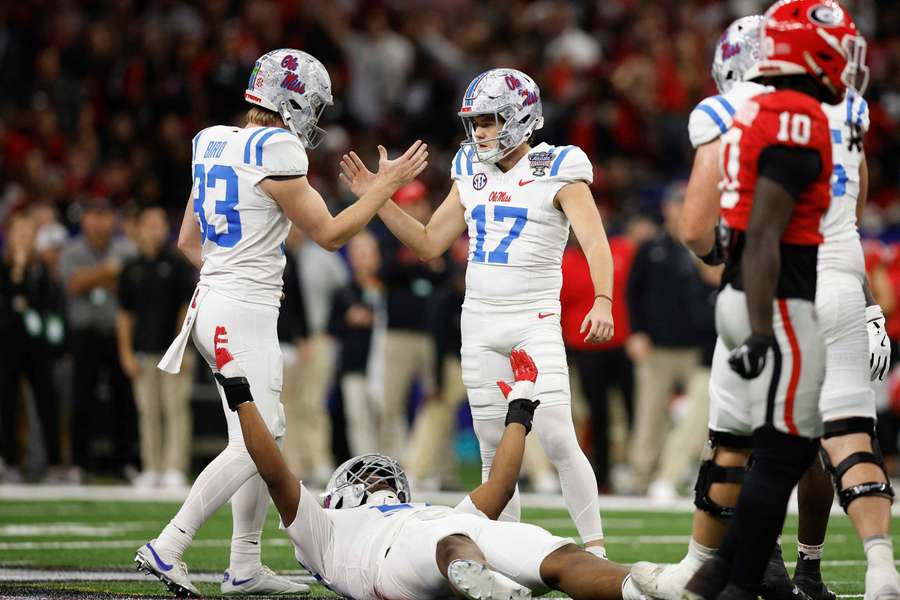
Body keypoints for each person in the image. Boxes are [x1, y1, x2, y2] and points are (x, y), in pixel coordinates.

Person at [134, 48, 428, 598]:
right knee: (258, 441)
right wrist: (383, 189)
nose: (313, 117)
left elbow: (186, 241)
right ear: (290, 101)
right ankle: (169, 546)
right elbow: (333, 234)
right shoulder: (277, 146)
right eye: (311, 105)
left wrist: (229, 275)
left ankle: (244, 565)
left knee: (257, 437)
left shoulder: (210, 140)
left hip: (212, 305)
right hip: (241, 311)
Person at [633, 7, 900, 599]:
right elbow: (849, 219)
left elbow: (698, 225)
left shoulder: (734, 110)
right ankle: (878, 565)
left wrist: (720, 257)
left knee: (737, 444)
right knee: (846, 434)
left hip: (763, 290)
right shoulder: (848, 110)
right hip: (836, 284)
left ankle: (705, 573)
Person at [340, 67, 614, 556]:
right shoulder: (470, 167)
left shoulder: (561, 165)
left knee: (555, 436)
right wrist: (378, 198)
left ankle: (595, 551)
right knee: (492, 444)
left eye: (489, 121)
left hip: (534, 319)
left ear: (520, 117)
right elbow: (429, 242)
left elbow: (594, 241)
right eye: (476, 122)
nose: (480, 132)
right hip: (480, 319)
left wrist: (603, 299)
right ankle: (506, 552)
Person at [215, 329, 643, 600]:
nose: (377, 478)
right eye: (367, 475)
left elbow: (500, 486)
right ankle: (486, 583)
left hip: (452, 537)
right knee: (451, 542)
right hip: (393, 561)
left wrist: (520, 408)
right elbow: (273, 470)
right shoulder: (322, 530)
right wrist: (240, 393)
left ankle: (643, 585)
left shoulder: (426, 510)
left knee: (559, 556)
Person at [117, 205, 196, 490]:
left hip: (172, 350)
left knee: (175, 409)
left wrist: (183, 347)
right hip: (143, 350)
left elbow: (186, 307)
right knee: (148, 411)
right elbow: (124, 314)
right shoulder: (130, 268)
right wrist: (125, 352)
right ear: (138, 228)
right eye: (148, 223)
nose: (154, 230)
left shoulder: (177, 264)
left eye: (159, 224)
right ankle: (151, 466)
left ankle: (174, 466)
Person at [59, 196, 137, 477]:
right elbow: (71, 285)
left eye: (104, 215)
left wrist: (89, 278)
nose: (99, 221)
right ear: (84, 219)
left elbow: (129, 287)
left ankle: (124, 462)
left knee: (124, 400)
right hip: (84, 333)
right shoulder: (71, 251)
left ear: (112, 219)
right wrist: (105, 272)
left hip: (118, 334)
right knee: (82, 399)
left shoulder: (126, 249)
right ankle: (80, 463)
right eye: (93, 214)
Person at [0, 212, 65, 481]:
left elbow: (49, 302)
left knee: (47, 402)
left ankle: (55, 465)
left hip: (37, 348)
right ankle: (8, 462)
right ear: (11, 236)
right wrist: (16, 272)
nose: (25, 238)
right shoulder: (4, 269)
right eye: (21, 233)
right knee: (8, 404)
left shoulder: (41, 270)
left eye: (30, 234)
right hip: (7, 347)